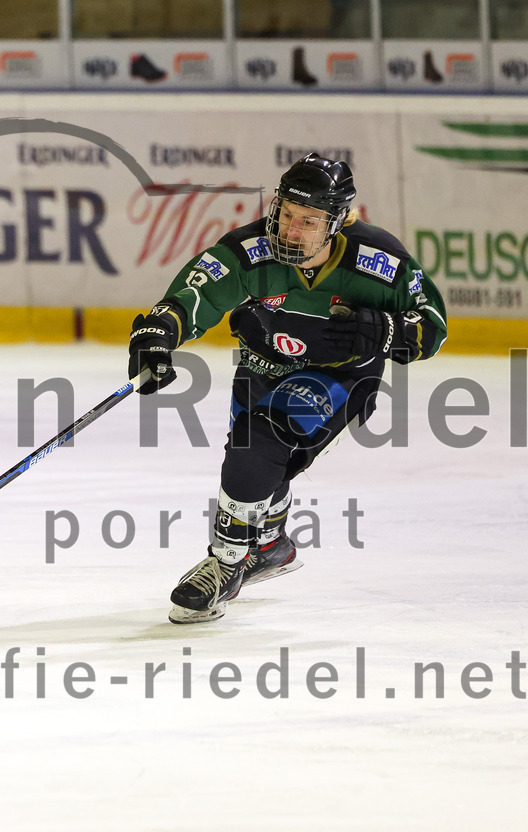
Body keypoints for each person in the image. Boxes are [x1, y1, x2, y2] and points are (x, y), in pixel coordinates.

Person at [127, 152, 446, 624]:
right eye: (287, 215)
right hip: (260, 370)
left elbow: (433, 327)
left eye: (309, 221)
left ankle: (225, 563)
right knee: (252, 459)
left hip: (339, 378)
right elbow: (195, 294)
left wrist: (386, 330)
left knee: (258, 443)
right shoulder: (251, 249)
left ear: (337, 222)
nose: (291, 231)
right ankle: (271, 545)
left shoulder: (379, 261)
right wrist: (159, 331)